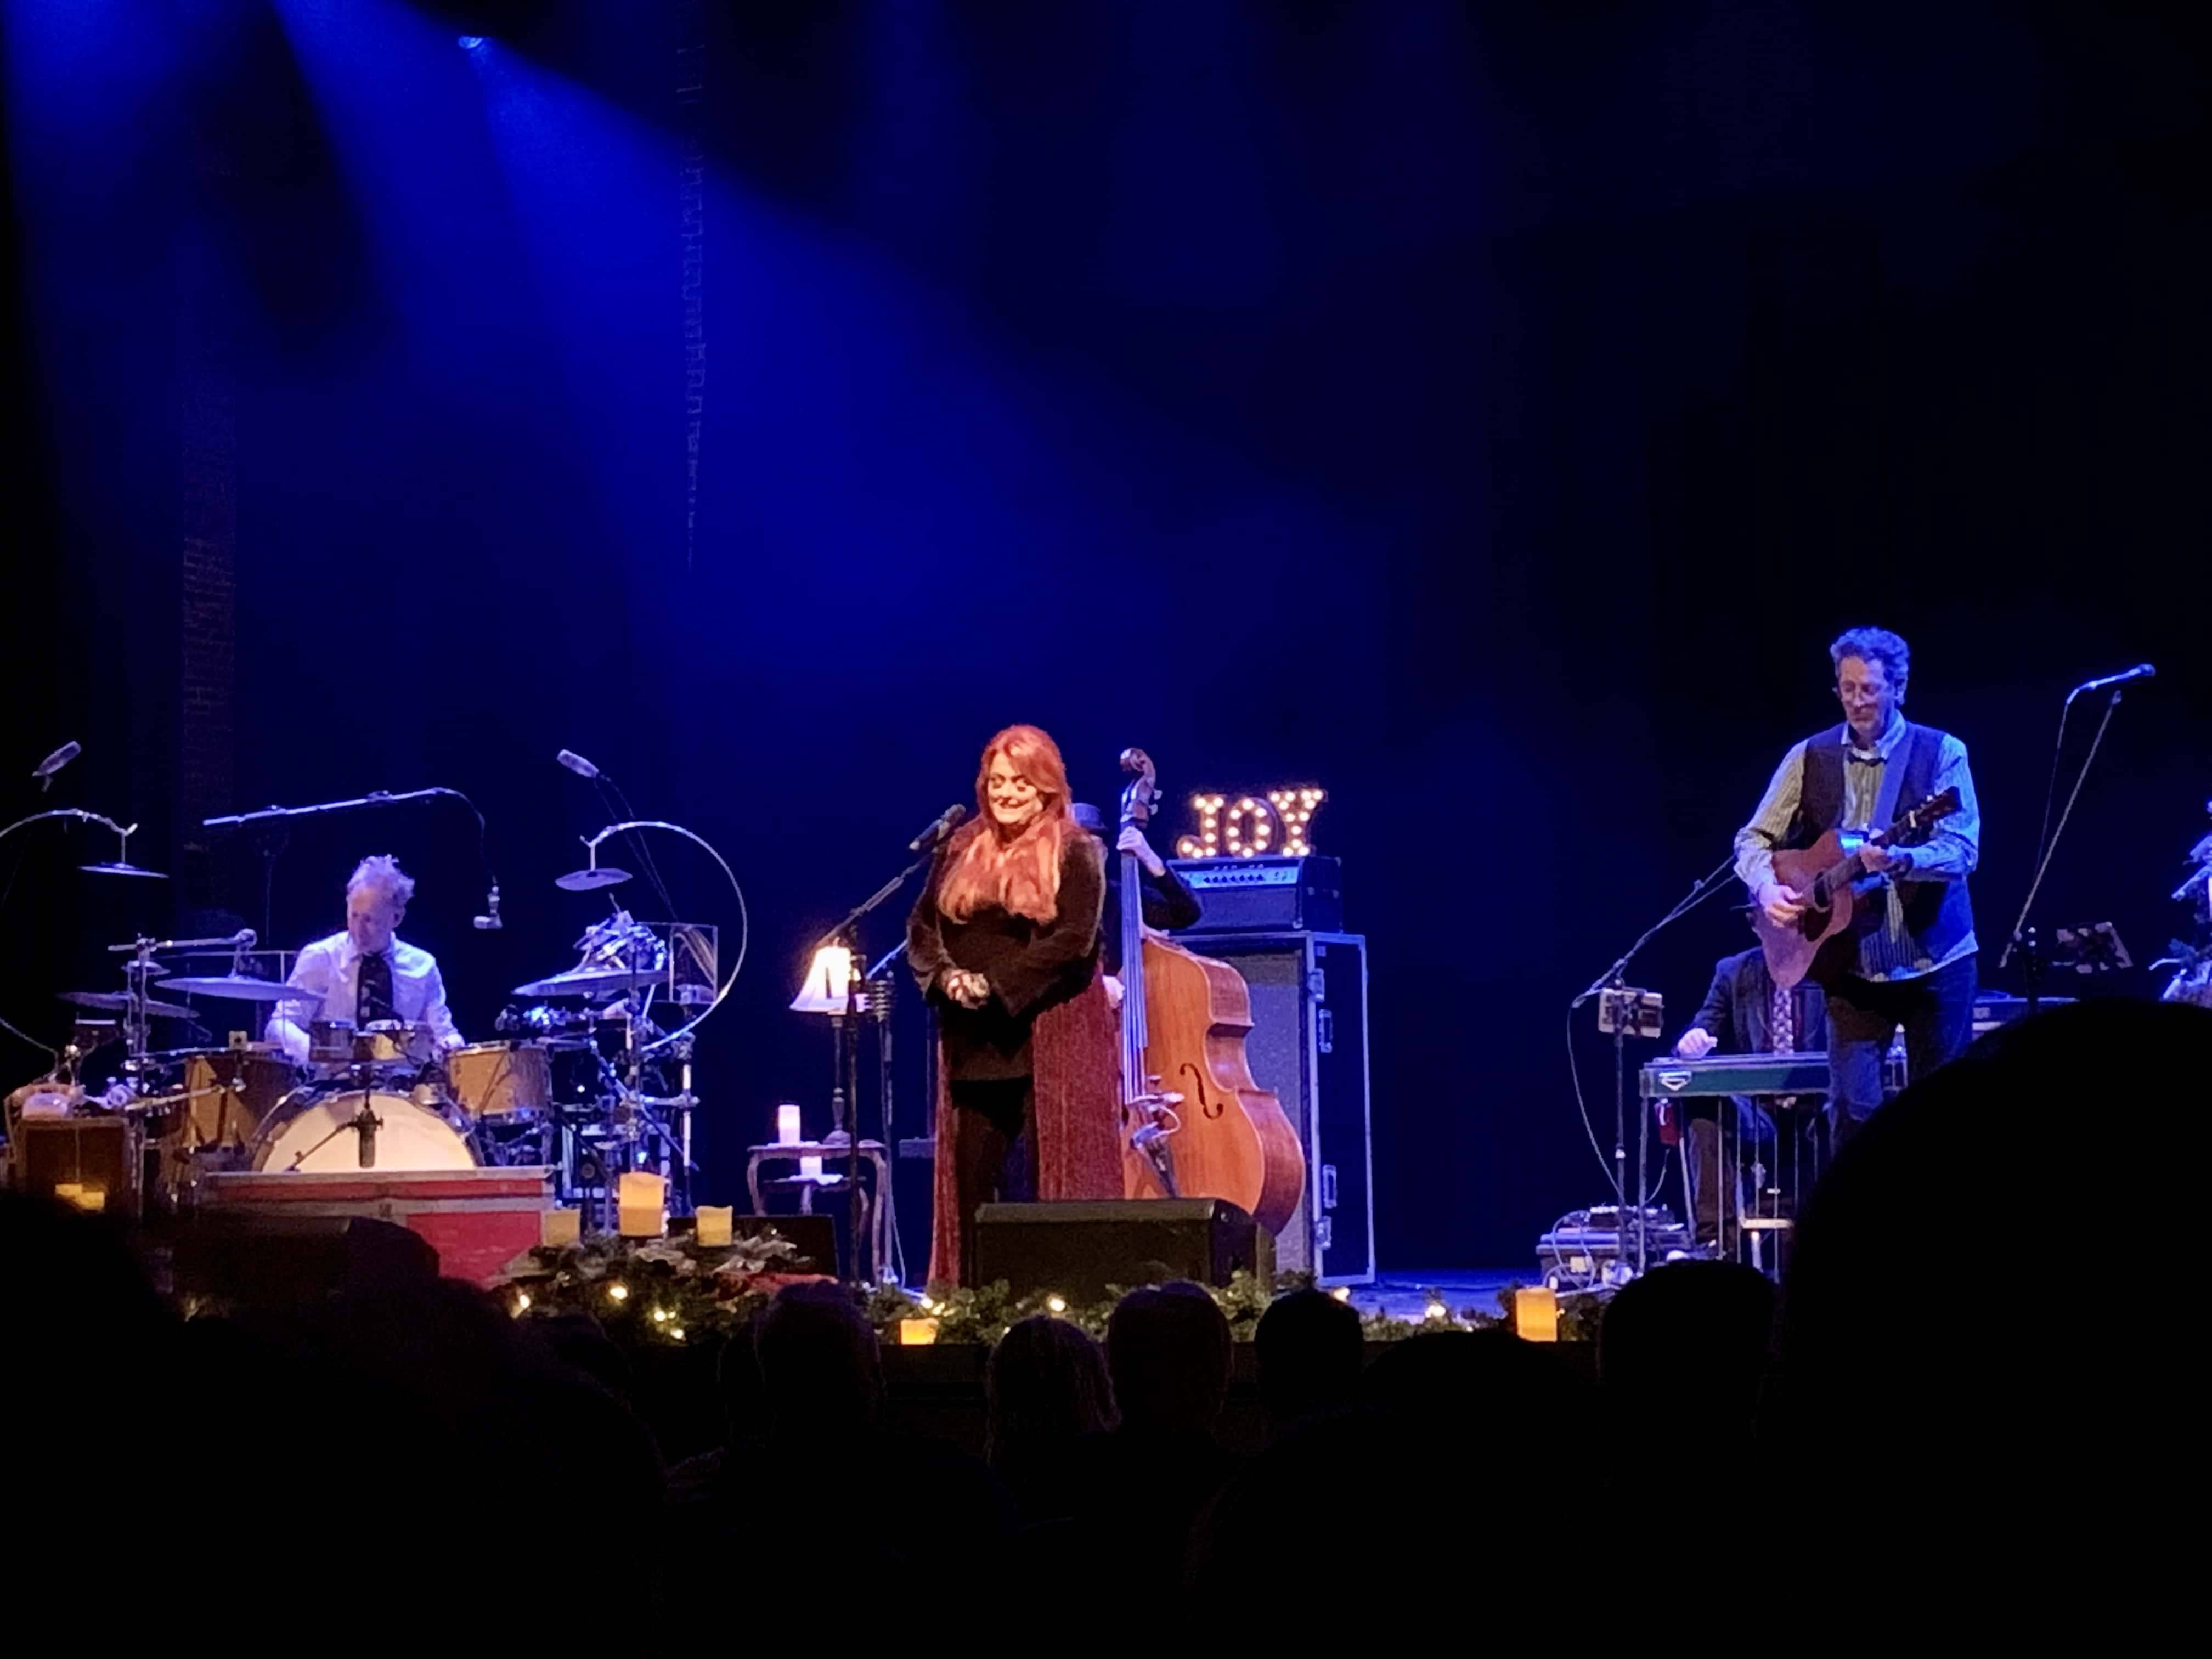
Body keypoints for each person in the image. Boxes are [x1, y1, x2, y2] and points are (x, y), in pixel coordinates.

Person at [1734, 627, 1979, 1146]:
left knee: (1943, 1116)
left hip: (1934, 961)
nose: (1857, 701)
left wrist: (1902, 859)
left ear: (1899, 688)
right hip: (1851, 966)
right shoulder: (1809, 755)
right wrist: (1766, 888)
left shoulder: (1942, 751)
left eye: (1869, 688)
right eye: (1847, 689)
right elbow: (1753, 838)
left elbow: (1963, 850)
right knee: (1851, 1116)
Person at [907, 725, 1119, 1287]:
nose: (1006, 793)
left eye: (1021, 782)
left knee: (1044, 1185)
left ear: (1046, 787)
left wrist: (994, 985)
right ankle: (973, 1297)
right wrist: (948, 978)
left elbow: (1074, 941)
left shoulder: (1075, 848)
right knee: (972, 1187)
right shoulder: (960, 845)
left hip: (1044, 1039)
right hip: (974, 1046)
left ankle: (1056, 1296)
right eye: (997, 781)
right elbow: (923, 928)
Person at [1668, 922, 1827, 1252]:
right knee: (1702, 1104)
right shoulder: (1733, 972)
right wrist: (1691, 1042)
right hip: (1758, 1115)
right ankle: (1715, 1244)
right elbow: (1702, 1027)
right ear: (1756, 926)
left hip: (1818, 1109)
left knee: (1853, 1105)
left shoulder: (1831, 966)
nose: (1786, 933)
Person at [266, 855, 464, 1066]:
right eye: (354, 916)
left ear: (397, 918)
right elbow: (279, 1026)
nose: (358, 930)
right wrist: (314, 1052)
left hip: (403, 1085)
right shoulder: (320, 957)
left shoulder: (423, 967)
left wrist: (452, 1044)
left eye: (370, 920)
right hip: (331, 1083)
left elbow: (444, 1033)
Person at [1070, 800, 1203, 994]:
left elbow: (1187, 913)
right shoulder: (1042, 905)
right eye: (1078, 848)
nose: (1086, 857)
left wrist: (1150, 858)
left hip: (1123, 1005)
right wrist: (1097, 984)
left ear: (1105, 854)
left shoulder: (1123, 897)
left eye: (1093, 847)